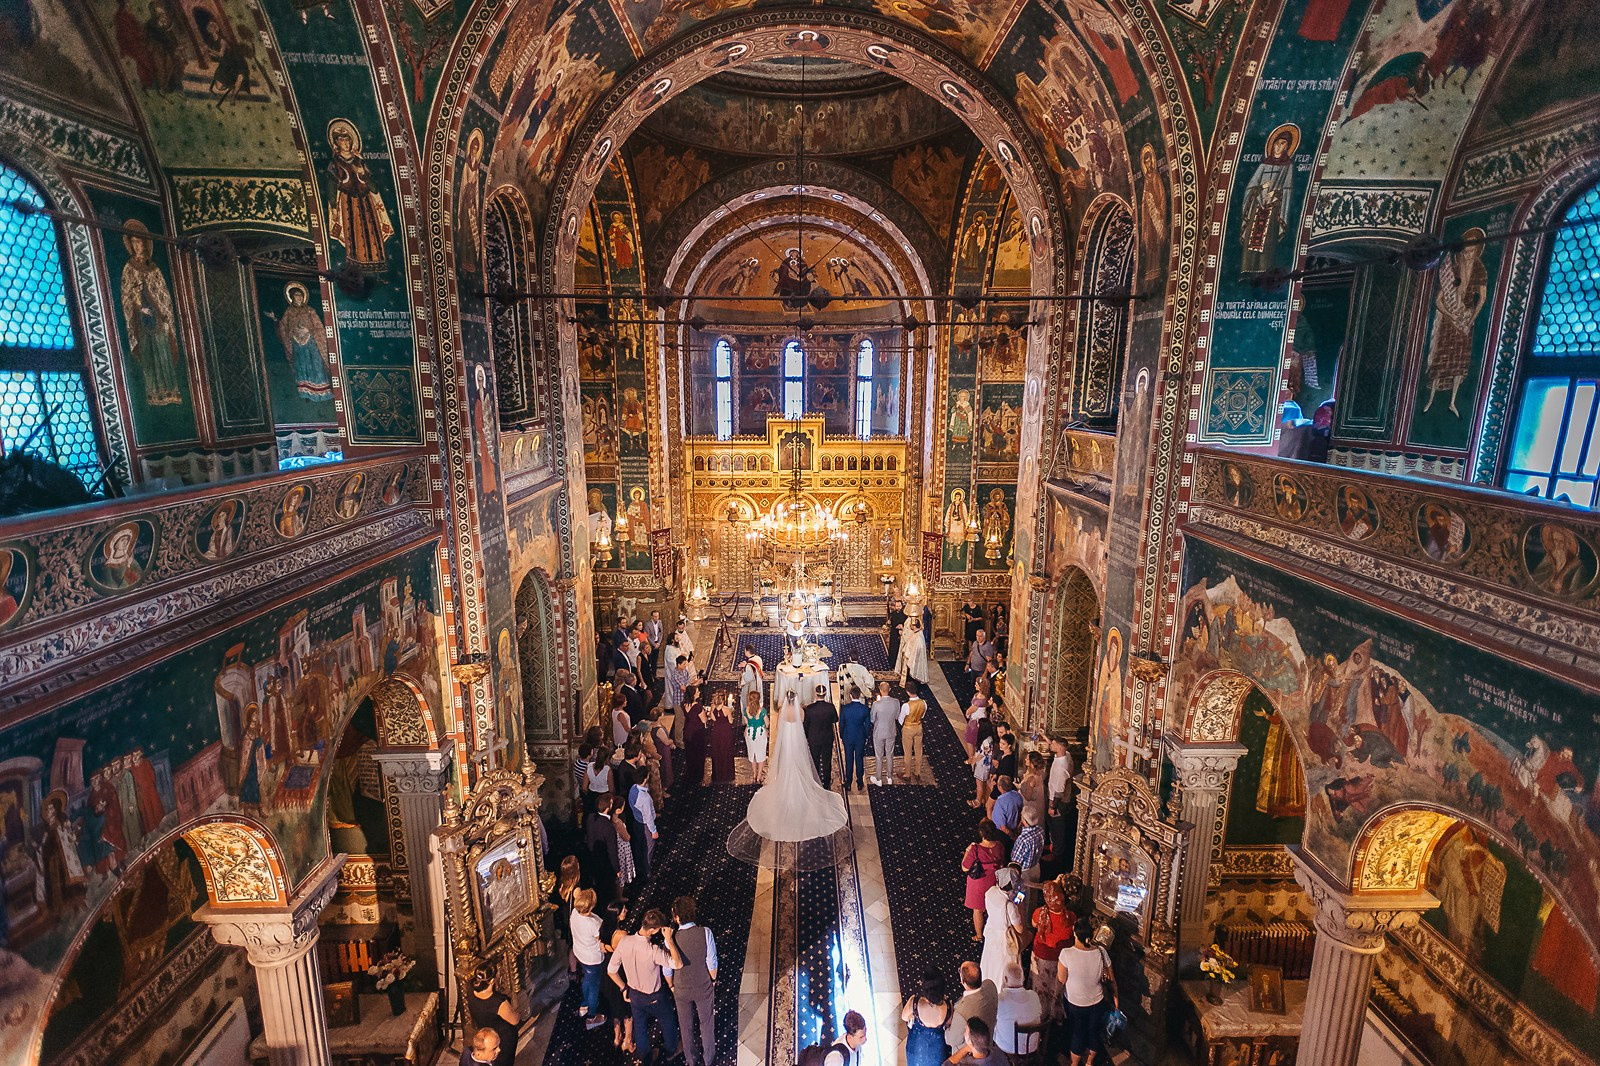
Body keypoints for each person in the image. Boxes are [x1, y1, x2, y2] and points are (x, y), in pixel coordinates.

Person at [728, 688, 851, 871]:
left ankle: (787, 794)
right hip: (798, 746)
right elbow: (803, 725)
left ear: (786, 700)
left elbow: (778, 729)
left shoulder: (784, 712)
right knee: (800, 769)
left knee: (787, 770)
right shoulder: (801, 711)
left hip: (788, 746)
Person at [608, 909, 686, 1062]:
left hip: (635, 994)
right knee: (668, 1021)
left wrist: (623, 987)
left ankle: (646, 1057)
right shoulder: (653, 951)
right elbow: (677, 963)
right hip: (655, 996)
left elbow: (611, 970)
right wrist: (669, 940)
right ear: (652, 930)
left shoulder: (624, 942)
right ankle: (671, 1049)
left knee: (640, 1027)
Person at [1058, 919, 1117, 1066]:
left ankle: (1074, 1063)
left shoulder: (1067, 953)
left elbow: (1061, 979)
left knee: (1078, 1033)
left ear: (1075, 934)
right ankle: (1090, 1062)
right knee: (1093, 1032)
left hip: (1075, 1002)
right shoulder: (1101, 952)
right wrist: (1116, 999)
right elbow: (1111, 979)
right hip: (1097, 1001)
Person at [671, 895, 718, 1066]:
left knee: (685, 1025)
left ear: (676, 917)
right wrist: (713, 979)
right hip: (703, 985)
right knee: (706, 1023)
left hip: (681, 989)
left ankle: (690, 1059)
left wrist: (671, 985)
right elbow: (711, 961)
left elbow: (668, 968)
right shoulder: (705, 932)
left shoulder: (671, 939)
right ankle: (709, 1059)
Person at [1031, 881, 1074, 1025]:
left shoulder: (1039, 914)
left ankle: (1040, 1014)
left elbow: (1033, 924)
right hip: (1062, 960)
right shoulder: (1071, 917)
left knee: (1041, 987)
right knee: (1057, 988)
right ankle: (1055, 1015)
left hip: (1042, 956)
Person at [981, 865, 1026, 989]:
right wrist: (1019, 905)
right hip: (1004, 939)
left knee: (990, 962)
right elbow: (1020, 929)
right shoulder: (1009, 906)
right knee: (1002, 966)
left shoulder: (990, 892)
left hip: (991, 932)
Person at [963, 821, 1007, 942]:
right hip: (994, 879)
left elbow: (965, 867)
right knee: (994, 906)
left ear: (981, 833)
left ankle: (979, 935)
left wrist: (967, 851)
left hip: (979, 882)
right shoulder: (999, 846)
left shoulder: (975, 849)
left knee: (978, 909)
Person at [600, 900, 634, 1051]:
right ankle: (627, 1040)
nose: (626, 910)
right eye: (623, 910)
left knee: (614, 1007)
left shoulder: (603, 930)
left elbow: (602, 948)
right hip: (620, 972)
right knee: (626, 1009)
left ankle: (616, 1037)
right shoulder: (621, 935)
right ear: (616, 915)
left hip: (606, 973)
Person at [571, 888, 608, 1029]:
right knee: (594, 987)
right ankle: (592, 1018)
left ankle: (584, 1005)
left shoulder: (575, 913)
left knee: (587, 979)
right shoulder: (593, 924)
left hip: (580, 953)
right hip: (592, 959)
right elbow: (602, 940)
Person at [466, 970, 519, 1066]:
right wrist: (515, 1006)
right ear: (492, 981)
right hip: (503, 1037)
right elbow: (514, 1020)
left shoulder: (470, 988)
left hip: (485, 1033)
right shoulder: (498, 1002)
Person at [902, 970, 954, 1066]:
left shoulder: (915, 1003)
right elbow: (948, 1024)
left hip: (916, 1046)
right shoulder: (948, 1007)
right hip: (938, 1049)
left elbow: (904, 1017)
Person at [949, 961, 998, 1053]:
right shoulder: (990, 985)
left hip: (969, 1053)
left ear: (963, 982)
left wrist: (948, 1022)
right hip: (989, 1042)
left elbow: (951, 1040)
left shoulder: (961, 1012)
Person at [1046, 736, 1075, 872]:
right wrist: (1046, 738)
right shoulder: (1066, 755)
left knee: (1057, 828)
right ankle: (1054, 847)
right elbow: (1059, 748)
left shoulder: (1061, 768)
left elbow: (1059, 791)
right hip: (1058, 799)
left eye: (1053, 744)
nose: (1050, 745)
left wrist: (1053, 807)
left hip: (1059, 803)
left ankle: (1057, 856)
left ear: (1059, 747)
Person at [804, 684, 839, 790]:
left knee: (815, 760)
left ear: (816, 694)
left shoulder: (809, 709)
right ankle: (827, 782)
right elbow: (835, 720)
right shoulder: (830, 707)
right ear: (825, 694)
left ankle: (816, 781)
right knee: (826, 760)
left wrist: (806, 737)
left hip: (814, 738)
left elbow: (806, 725)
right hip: (827, 738)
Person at [839, 686, 871, 792]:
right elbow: (867, 726)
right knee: (859, 759)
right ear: (860, 695)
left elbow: (841, 724)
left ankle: (848, 783)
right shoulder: (865, 709)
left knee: (849, 760)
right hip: (860, 737)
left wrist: (841, 736)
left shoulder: (845, 709)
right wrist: (866, 736)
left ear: (850, 695)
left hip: (848, 737)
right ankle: (860, 782)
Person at [870, 681, 901, 786]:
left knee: (879, 756)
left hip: (879, 732)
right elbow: (897, 716)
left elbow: (872, 719)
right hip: (891, 731)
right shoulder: (896, 702)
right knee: (890, 755)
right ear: (890, 690)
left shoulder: (876, 704)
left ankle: (878, 779)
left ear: (880, 690)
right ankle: (889, 777)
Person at [902, 680, 928, 783]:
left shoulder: (906, 705)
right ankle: (917, 772)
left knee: (907, 752)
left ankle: (907, 774)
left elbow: (900, 720)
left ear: (907, 692)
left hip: (908, 729)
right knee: (918, 750)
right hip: (919, 727)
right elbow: (922, 715)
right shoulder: (923, 703)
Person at [708, 695, 737, 783]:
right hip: (725, 732)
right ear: (723, 701)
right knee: (726, 750)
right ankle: (727, 774)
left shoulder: (712, 708)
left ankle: (718, 774)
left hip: (716, 732)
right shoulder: (727, 709)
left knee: (717, 751)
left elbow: (713, 718)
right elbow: (731, 721)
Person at [744, 689, 769, 784]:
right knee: (761, 755)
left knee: (752, 754)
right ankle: (759, 776)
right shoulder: (762, 711)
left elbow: (746, 722)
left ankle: (754, 774)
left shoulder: (746, 710)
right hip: (760, 734)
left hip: (749, 734)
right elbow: (767, 724)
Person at [897, 618, 929, 686]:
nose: (910, 626)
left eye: (911, 625)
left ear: (914, 626)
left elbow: (916, 649)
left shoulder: (918, 637)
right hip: (912, 657)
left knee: (913, 677)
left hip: (913, 659)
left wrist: (908, 654)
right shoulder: (917, 634)